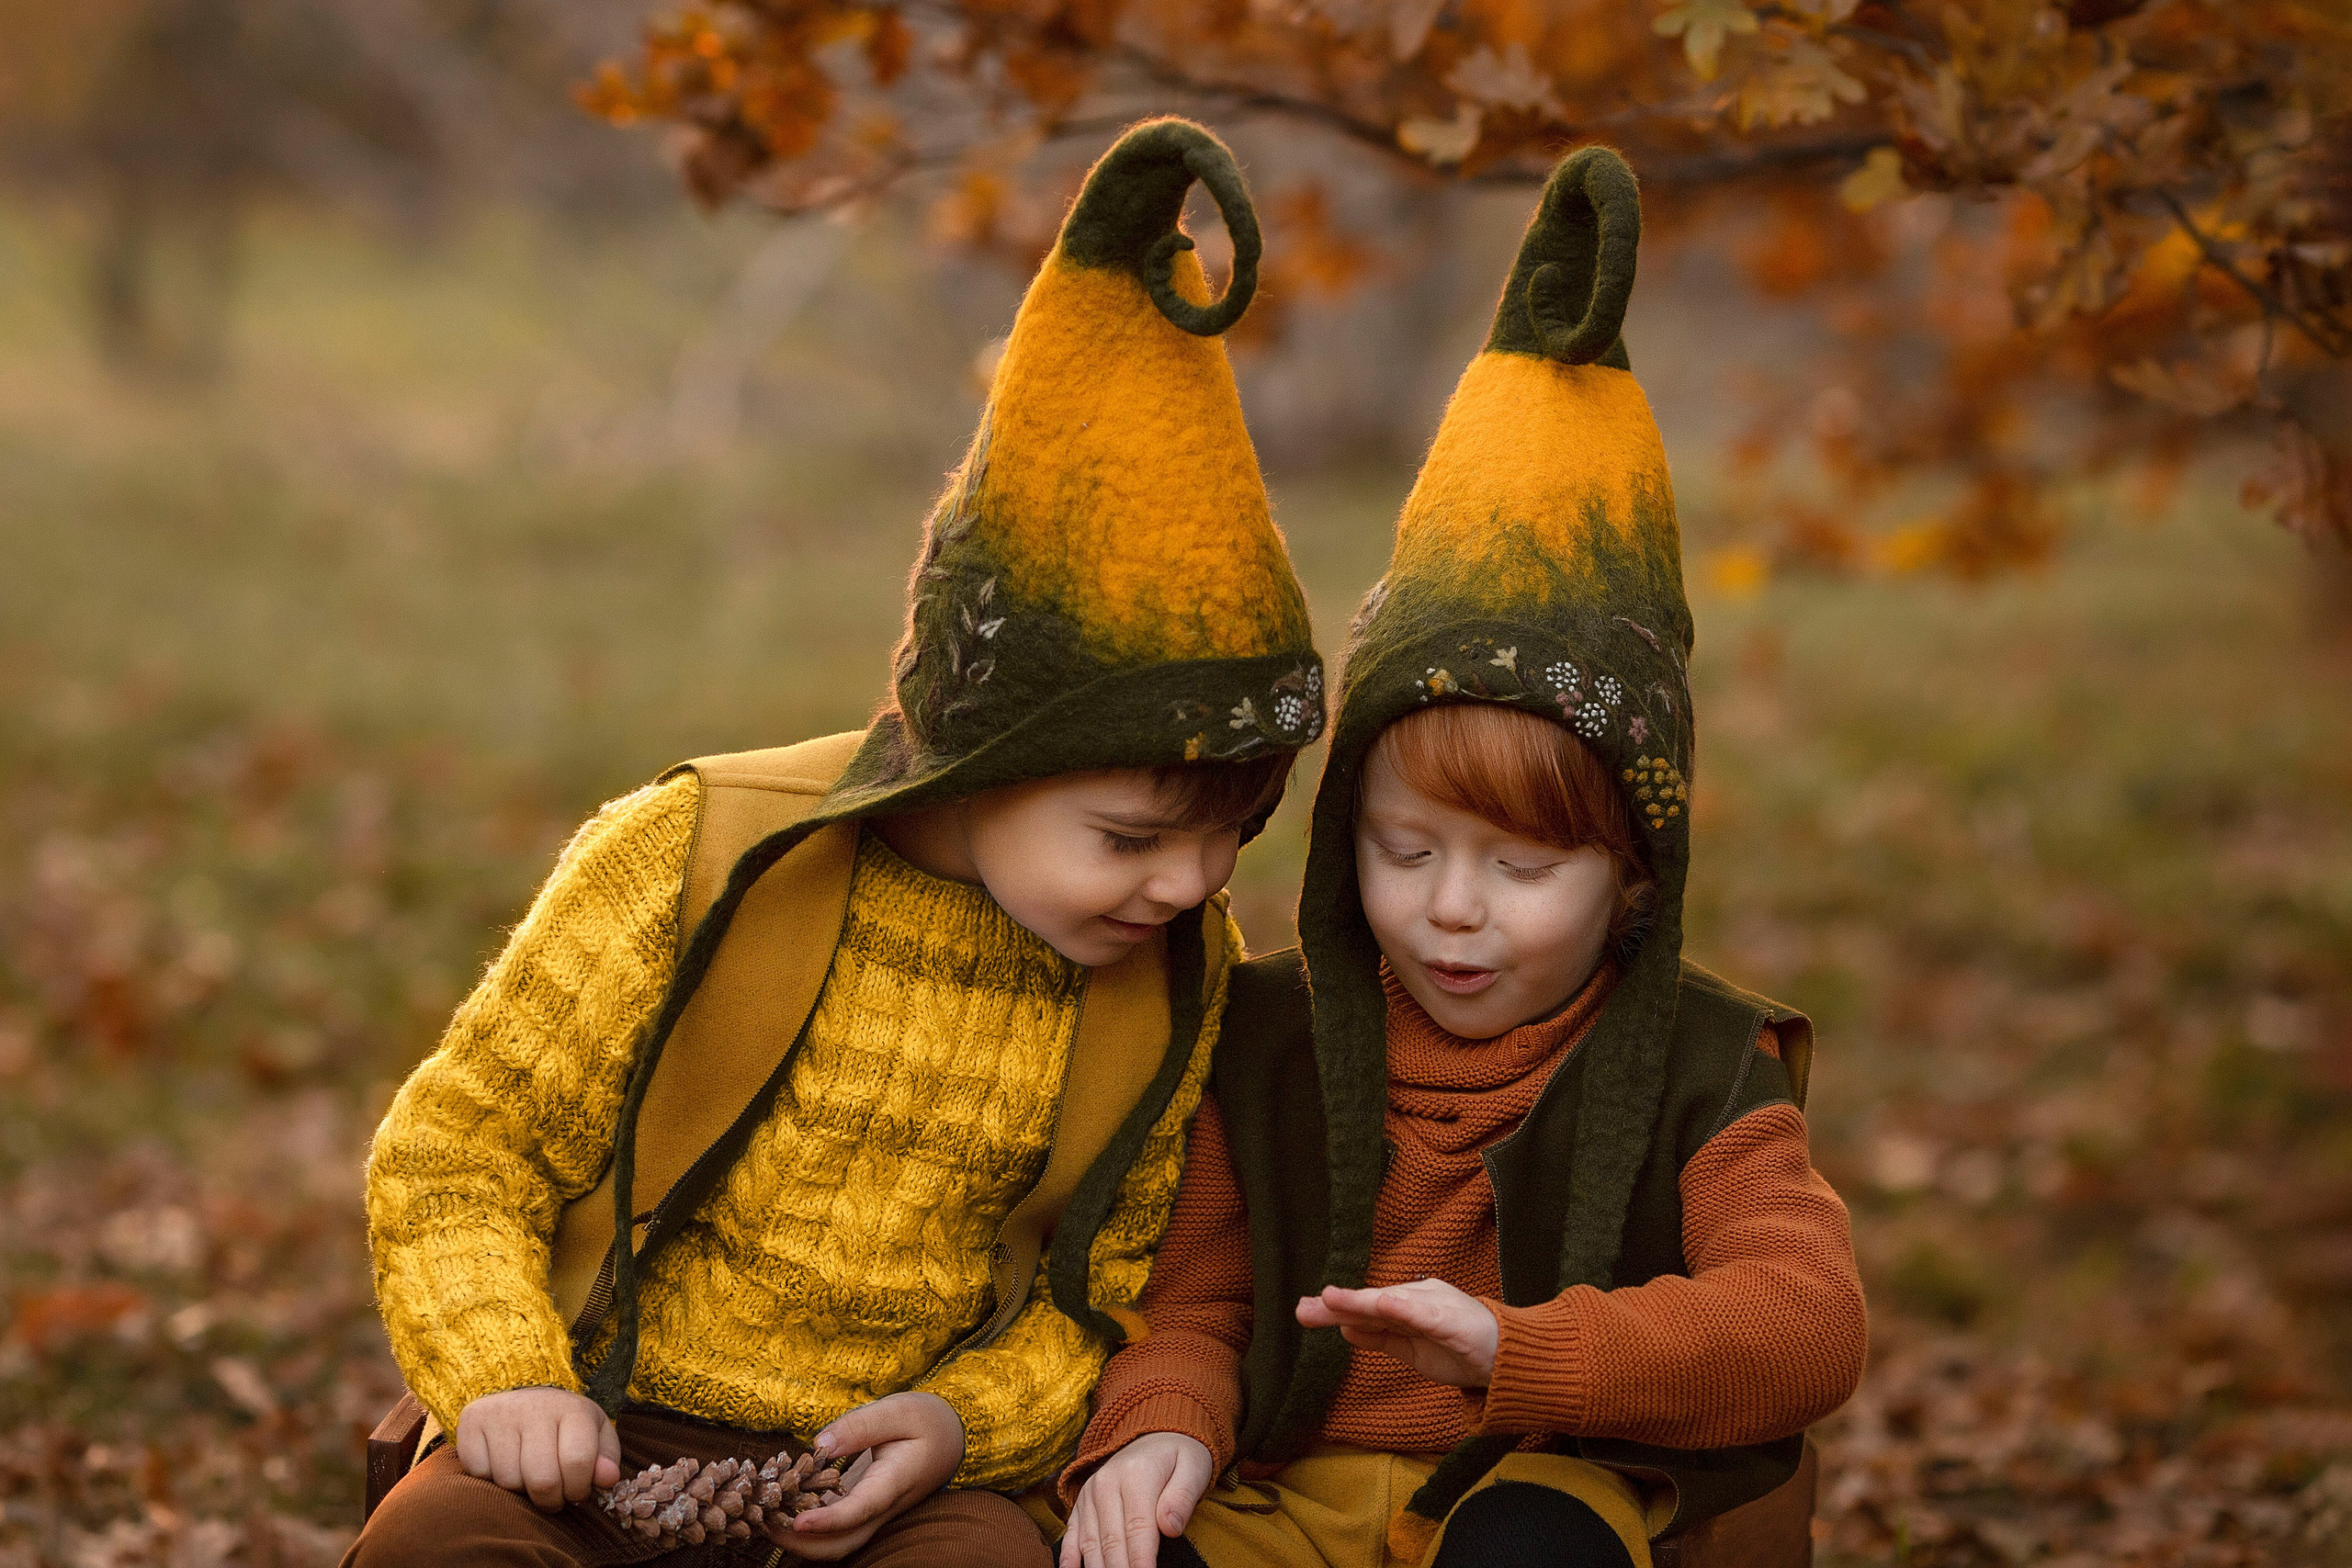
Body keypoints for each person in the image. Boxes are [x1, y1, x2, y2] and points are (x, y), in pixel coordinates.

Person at [346, 118, 1327, 1568]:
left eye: (1234, 838)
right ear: (982, 755)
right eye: (1130, 837)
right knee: (447, 1552)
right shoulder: (696, 860)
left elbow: (1098, 1298)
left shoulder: (1165, 972)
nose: (1190, 886)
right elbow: (455, 1157)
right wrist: (508, 1381)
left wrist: (960, 1423)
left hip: (897, 1478)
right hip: (603, 1426)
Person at [1056, 146, 1869, 1568]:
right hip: (1282, 1494)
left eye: (1523, 867)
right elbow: (1197, 1300)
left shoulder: (1700, 1064)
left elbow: (1805, 1322)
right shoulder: (1264, 1037)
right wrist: (1165, 1427)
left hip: (1543, 1482)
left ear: (1635, 878)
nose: (1449, 910)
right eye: (1403, 847)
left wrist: (1519, 1349)